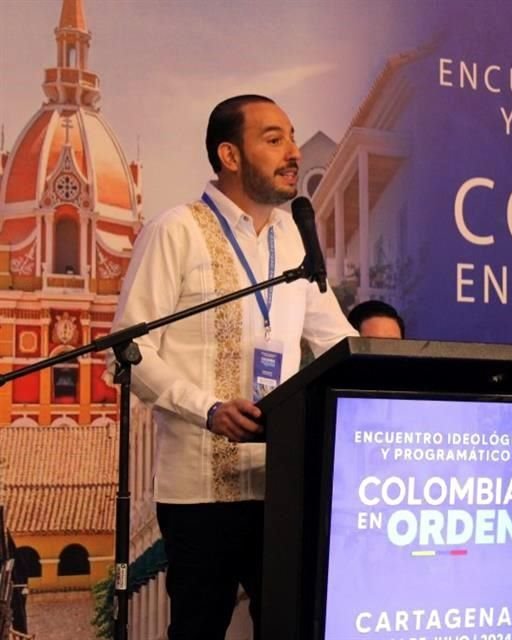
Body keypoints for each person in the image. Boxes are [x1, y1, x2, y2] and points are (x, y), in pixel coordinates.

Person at [110, 94, 357, 640]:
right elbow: (129, 351)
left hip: (283, 483)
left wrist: (390, 377)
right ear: (229, 154)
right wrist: (209, 409)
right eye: (273, 139)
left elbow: (338, 339)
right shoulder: (176, 230)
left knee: (290, 625)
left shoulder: (294, 240)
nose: (292, 151)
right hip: (201, 493)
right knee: (199, 630)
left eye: (291, 137)